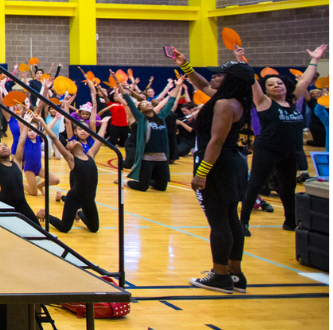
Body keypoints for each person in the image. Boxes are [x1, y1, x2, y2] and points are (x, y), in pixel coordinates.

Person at [176, 50, 254, 294]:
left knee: (219, 221)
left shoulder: (223, 103)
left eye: (221, 74)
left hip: (219, 164)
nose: (215, 77)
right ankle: (235, 274)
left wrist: (202, 172)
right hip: (233, 163)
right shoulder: (232, 98)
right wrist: (184, 65)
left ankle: (219, 275)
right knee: (232, 220)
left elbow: (216, 141)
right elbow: (201, 83)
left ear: (229, 80)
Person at [241, 45, 326, 234]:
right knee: (255, 185)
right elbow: (252, 81)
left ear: (285, 85)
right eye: (271, 84)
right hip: (267, 149)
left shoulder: (293, 100)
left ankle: (290, 222)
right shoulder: (263, 102)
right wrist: (241, 59)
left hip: (289, 151)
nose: (276, 85)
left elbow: (305, 79)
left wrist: (315, 59)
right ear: (266, 90)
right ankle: (243, 222)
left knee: (288, 189)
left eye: (278, 83)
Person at [38, 117, 105, 233]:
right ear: (69, 150)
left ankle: (78, 213)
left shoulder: (90, 154)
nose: (72, 141)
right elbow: (54, 138)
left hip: (89, 200)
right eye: (69, 143)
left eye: (74, 140)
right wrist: (43, 122)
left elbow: (99, 139)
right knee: (65, 228)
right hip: (74, 199)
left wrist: (104, 124)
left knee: (94, 229)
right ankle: (45, 214)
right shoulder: (71, 159)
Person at [122, 77, 183, 192]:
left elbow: (171, 101)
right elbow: (129, 102)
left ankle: (146, 180)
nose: (147, 104)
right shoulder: (141, 119)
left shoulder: (161, 117)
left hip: (162, 157)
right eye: (143, 104)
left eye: (147, 102)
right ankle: (127, 182)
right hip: (147, 157)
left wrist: (178, 86)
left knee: (161, 187)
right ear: (140, 110)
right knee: (142, 187)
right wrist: (121, 87)